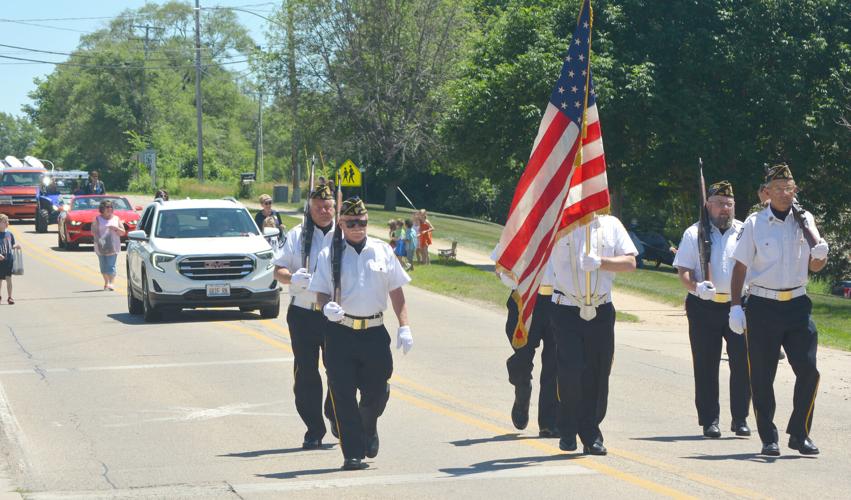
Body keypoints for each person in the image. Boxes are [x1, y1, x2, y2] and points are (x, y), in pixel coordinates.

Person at [729, 163, 829, 457]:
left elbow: (814, 265)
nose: (786, 194)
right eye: (780, 189)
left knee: (809, 371)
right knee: (761, 375)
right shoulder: (755, 223)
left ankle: (799, 433)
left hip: (797, 305)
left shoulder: (805, 219)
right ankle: (768, 436)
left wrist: (820, 255)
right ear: (767, 193)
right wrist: (735, 306)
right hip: (762, 306)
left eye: (790, 188)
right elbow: (740, 267)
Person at [308, 197, 412, 471]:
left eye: (362, 222)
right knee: (342, 394)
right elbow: (319, 291)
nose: (357, 227)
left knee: (376, 392)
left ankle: (370, 425)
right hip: (341, 333)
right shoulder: (329, 254)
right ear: (341, 224)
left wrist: (404, 326)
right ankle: (352, 452)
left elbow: (397, 291)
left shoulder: (382, 251)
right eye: (351, 222)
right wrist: (325, 306)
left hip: (374, 333)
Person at [549, 215, 638, 455]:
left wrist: (601, 262)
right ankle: (567, 428)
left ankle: (591, 433)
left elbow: (630, 262)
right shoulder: (559, 223)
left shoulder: (611, 225)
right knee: (571, 370)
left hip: (601, 309)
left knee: (598, 373)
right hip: (566, 307)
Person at [673, 181, 751, 439]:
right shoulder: (693, 233)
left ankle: (740, 419)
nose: (724, 209)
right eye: (719, 204)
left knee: (743, 364)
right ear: (708, 205)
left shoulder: (743, 232)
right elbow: (683, 272)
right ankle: (710, 420)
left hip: (738, 305)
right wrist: (696, 287)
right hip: (703, 306)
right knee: (706, 365)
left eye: (729, 204)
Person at [273, 185, 338, 449]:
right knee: (306, 373)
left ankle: (335, 413)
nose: (324, 211)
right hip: (303, 313)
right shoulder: (298, 234)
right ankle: (314, 428)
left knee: (338, 370)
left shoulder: (343, 234)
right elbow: (278, 270)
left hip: (333, 313)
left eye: (328, 206)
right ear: (309, 209)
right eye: (318, 206)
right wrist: (292, 278)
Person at [494, 247, 559, 438]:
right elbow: (501, 263)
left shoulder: (568, 227)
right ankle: (522, 389)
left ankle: (549, 422)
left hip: (559, 301)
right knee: (522, 358)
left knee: (554, 363)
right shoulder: (526, 220)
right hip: (525, 299)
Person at [91, 199, 125, 290]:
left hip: (113, 246)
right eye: (107, 207)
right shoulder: (97, 219)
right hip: (101, 246)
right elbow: (93, 232)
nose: (109, 209)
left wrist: (116, 228)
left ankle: (111, 283)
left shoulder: (116, 218)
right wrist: (99, 239)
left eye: (111, 207)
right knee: (103, 265)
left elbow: (123, 232)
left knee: (111, 265)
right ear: (102, 209)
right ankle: (106, 282)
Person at [0, 214, 22, 305]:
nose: (7, 223)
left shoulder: (9, 234)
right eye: (4, 222)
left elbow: (10, 245)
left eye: (7, 221)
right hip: (0, 261)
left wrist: (16, 246)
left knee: (9, 278)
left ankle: (10, 297)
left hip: (9, 260)